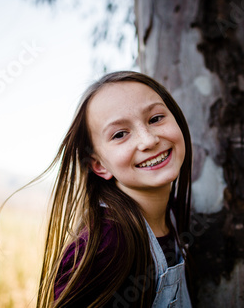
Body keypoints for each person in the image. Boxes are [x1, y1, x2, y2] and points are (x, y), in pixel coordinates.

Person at [36, 71, 193, 307]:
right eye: (120, 134)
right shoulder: (108, 244)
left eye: (156, 118)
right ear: (99, 165)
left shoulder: (173, 214)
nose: (148, 140)